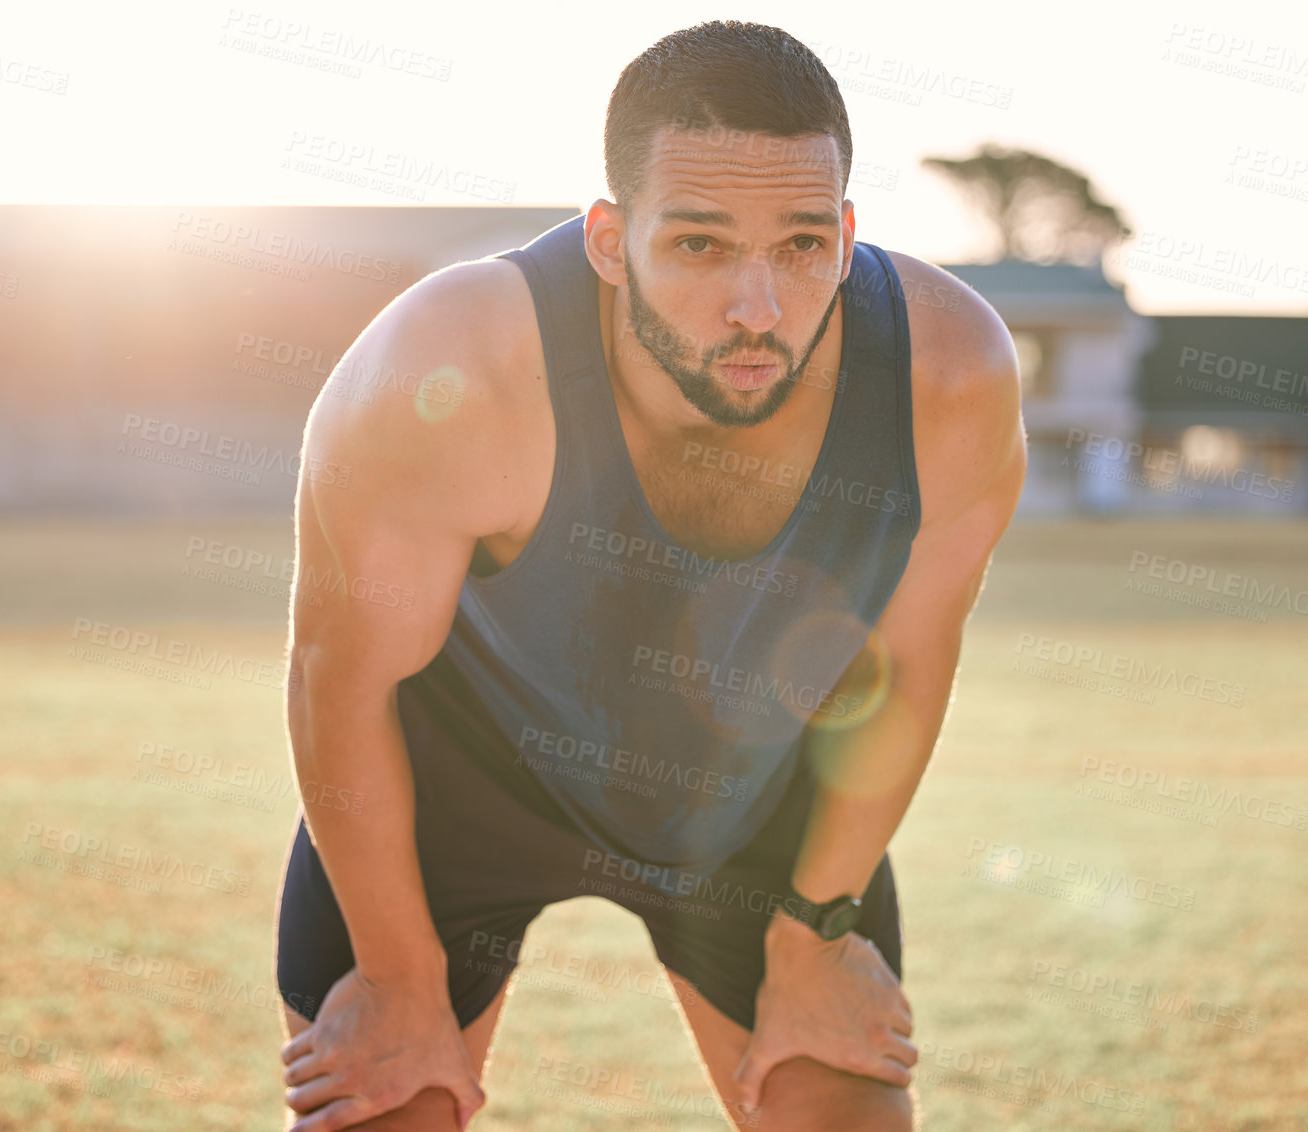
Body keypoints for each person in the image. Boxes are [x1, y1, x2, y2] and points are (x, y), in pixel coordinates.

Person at [273, 19, 1025, 1132]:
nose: (758, 307)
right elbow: (340, 686)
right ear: (611, 240)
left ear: (848, 232)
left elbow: (909, 668)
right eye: (700, 246)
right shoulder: (450, 368)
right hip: (457, 785)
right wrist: (395, 978)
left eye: (804, 245)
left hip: (752, 796)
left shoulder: (946, 375)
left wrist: (816, 926)